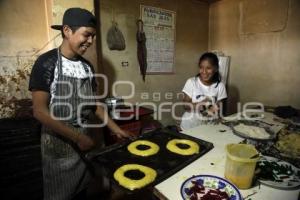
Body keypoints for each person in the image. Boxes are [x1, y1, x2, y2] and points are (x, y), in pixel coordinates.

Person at [29, 8, 133, 200]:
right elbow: (40, 112)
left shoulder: (87, 67)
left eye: (93, 36)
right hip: (59, 149)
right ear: (67, 30)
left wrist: (116, 129)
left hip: (84, 146)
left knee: (82, 192)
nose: (91, 41)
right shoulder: (46, 63)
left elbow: (94, 105)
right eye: (87, 35)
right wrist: (77, 137)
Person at [180, 52, 227, 130]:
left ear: (215, 69)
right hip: (190, 126)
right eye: (201, 67)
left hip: (209, 127)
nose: (204, 72)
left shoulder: (220, 86)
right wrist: (202, 106)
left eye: (208, 68)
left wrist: (214, 109)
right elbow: (185, 105)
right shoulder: (192, 82)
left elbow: (219, 107)